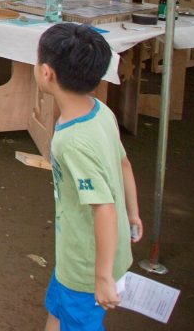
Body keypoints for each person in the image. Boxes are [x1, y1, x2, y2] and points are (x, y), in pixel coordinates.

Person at [36, 23, 141, 331]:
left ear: (46, 72)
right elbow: (124, 165)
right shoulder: (100, 111)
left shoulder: (72, 142)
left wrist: (102, 277)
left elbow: (104, 207)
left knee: (77, 321)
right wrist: (133, 214)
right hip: (76, 254)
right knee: (56, 311)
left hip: (88, 265)